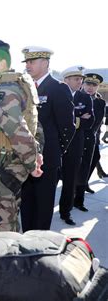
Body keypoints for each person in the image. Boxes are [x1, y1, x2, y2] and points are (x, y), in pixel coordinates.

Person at [0, 40, 42, 232]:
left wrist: (32, 164)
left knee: (1, 230)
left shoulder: (3, 92)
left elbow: (18, 132)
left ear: (1, 64)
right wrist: (35, 156)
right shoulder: (17, 85)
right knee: (9, 219)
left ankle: (7, 260)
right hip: (9, 166)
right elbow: (35, 125)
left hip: (2, 169)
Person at [20, 46, 75, 232]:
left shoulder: (58, 88)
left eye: (32, 62)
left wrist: (56, 151)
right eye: (26, 62)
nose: (28, 66)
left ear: (45, 62)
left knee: (43, 206)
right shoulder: (25, 87)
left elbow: (67, 126)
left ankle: (39, 246)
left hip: (47, 159)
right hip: (25, 157)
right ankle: (26, 239)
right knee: (26, 204)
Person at [58, 66, 93, 225]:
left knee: (70, 179)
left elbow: (90, 121)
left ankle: (66, 211)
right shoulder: (58, 95)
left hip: (75, 144)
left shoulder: (85, 98)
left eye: (81, 79)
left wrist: (73, 120)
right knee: (48, 178)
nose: (80, 82)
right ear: (66, 80)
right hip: (56, 142)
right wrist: (78, 117)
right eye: (76, 79)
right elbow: (55, 118)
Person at [74, 73, 106, 210]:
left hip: (90, 138)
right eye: (88, 84)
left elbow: (96, 122)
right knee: (72, 169)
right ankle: (70, 197)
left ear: (98, 87)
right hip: (74, 138)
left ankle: (79, 200)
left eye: (94, 85)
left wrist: (81, 120)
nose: (90, 88)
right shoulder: (74, 97)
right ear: (82, 84)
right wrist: (81, 119)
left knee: (87, 165)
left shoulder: (100, 102)